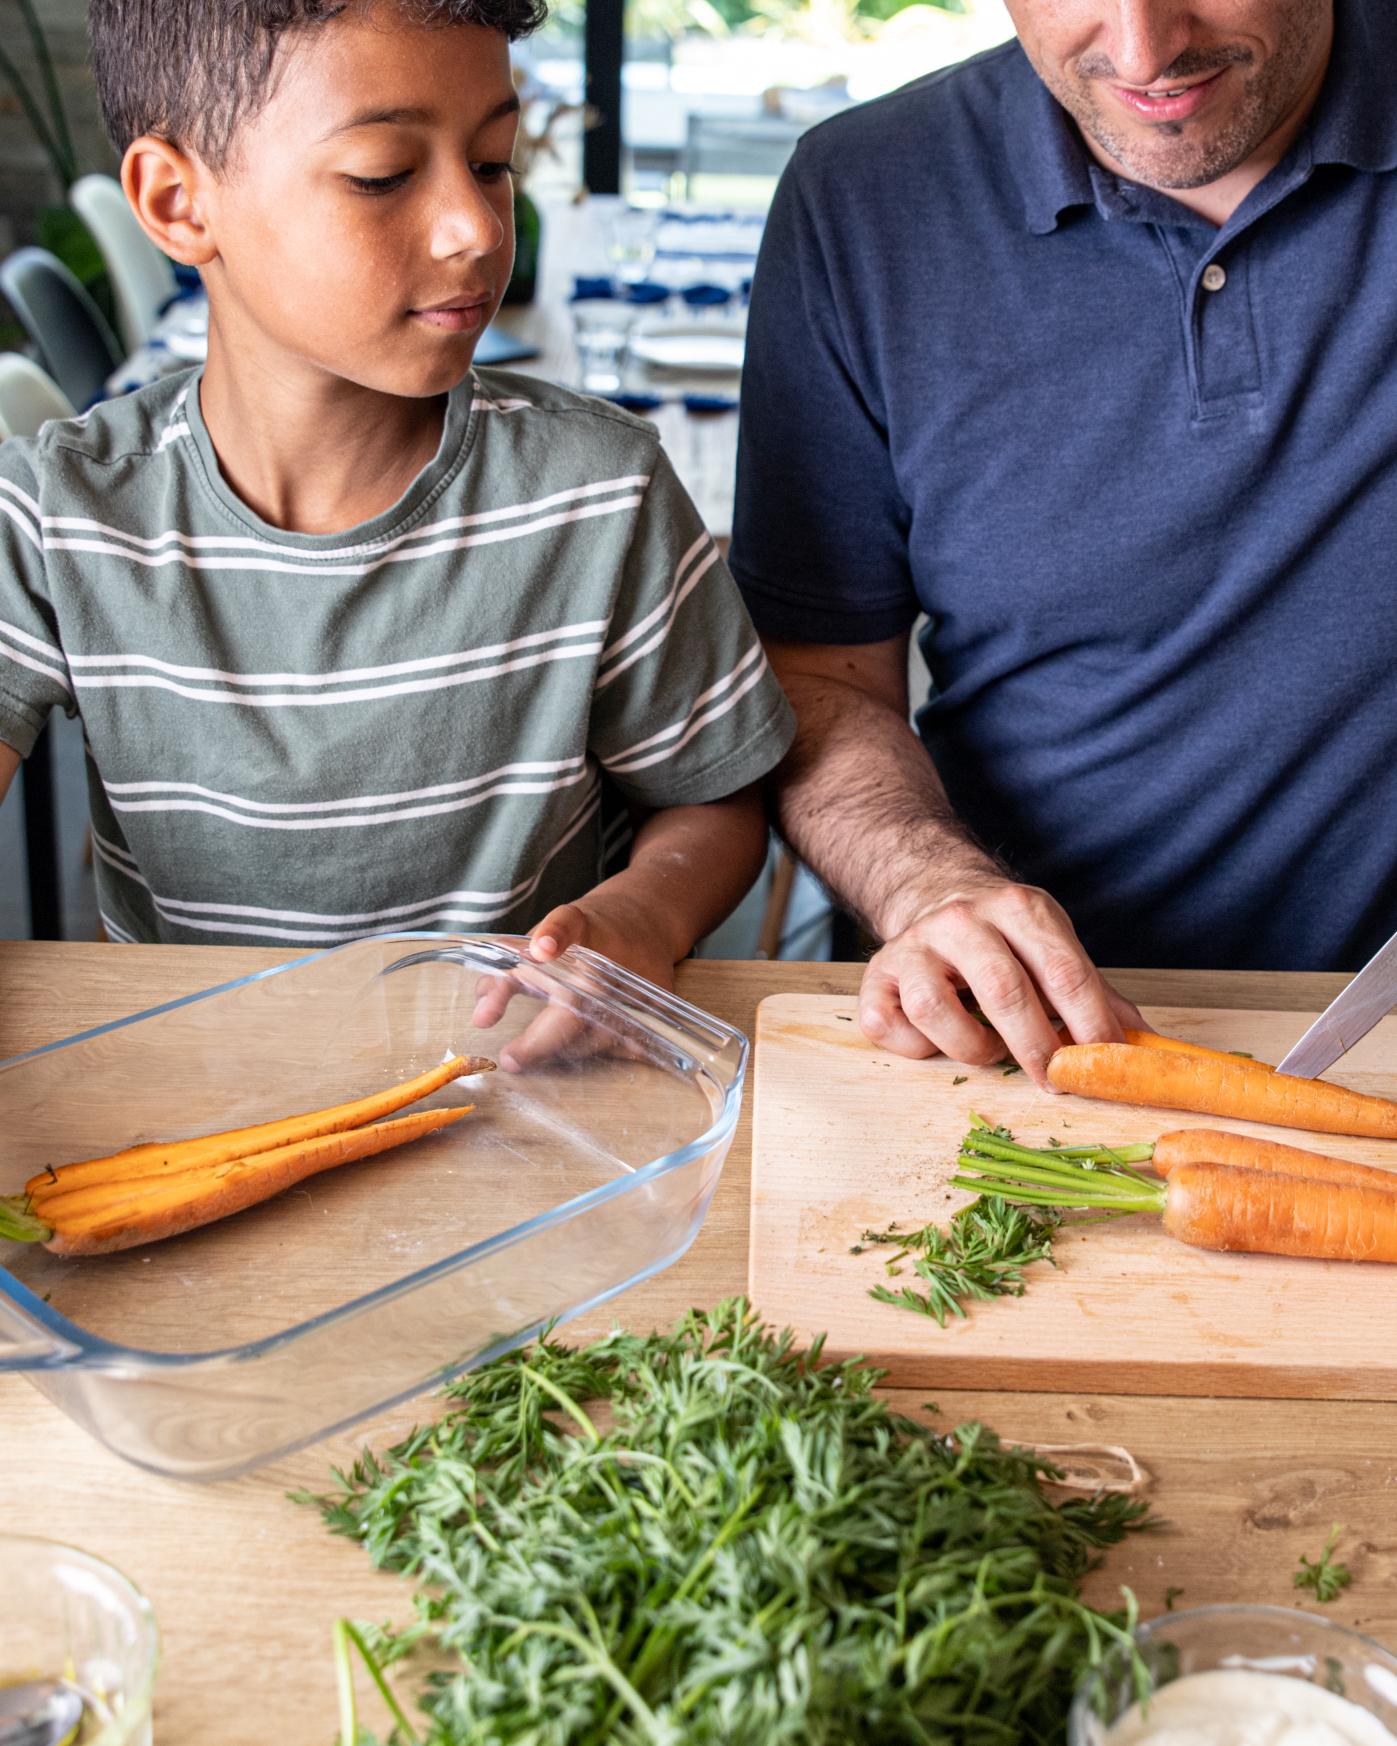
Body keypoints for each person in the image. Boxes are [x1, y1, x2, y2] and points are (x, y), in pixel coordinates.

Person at [0, 0, 794, 1041]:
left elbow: (715, 796)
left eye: (494, 161)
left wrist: (640, 913)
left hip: (511, 1087)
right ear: (179, 199)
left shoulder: (599, 491)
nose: (475, 227)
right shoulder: (64, 513)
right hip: (191, 1098)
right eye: (383, 173)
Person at [730, 0, 1397, 1088]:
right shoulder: (863, 195)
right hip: (997, 1043)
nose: (1141, 50)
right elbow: (816, 677)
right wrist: (924, 887)